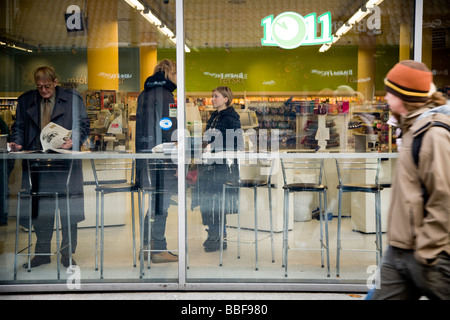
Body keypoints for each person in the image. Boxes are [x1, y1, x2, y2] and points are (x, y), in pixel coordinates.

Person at [369, 60, 450, 300]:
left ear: (403, 96)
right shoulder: (410, 128)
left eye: (389, 92)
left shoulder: (433, 133)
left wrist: (428, 250)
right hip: (399, 249)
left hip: (428, 254)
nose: (385, 97)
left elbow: (445, 197)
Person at [10, 66, 90, 268]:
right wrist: (17, 143)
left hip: (65, 162)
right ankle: (42, 253)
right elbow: (18, 127)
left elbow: (83, 125)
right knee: (40, 208)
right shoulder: (26, 100)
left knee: (68, 209)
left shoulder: (73, 98)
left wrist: (74, 140)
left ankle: (66, 254)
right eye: (39, 87)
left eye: (47, 86)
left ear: (56, 82)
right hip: (38, 162)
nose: (43, 90)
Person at [135, 59, 178, 263]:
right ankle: (159, 249)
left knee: (154, 204)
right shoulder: (167, 95)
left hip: (146, 158)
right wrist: (176, 162)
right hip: (163, 161)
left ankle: (146, 246)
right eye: (176, 73)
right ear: (169, 73)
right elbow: (169, 131)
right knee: (162, 204)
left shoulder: (144, 94)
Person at [196, 86, 242, 252]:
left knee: (217, 202)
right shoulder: (214, 116)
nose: (213, 99)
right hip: (210, 166)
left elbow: (237, 143)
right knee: (210, 201)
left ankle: (218, 237)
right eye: (212, 96)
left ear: (226, 99)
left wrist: (212, 147)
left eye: (216, 96)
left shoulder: (232, 117)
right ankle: (213, 234)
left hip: (223, 168)